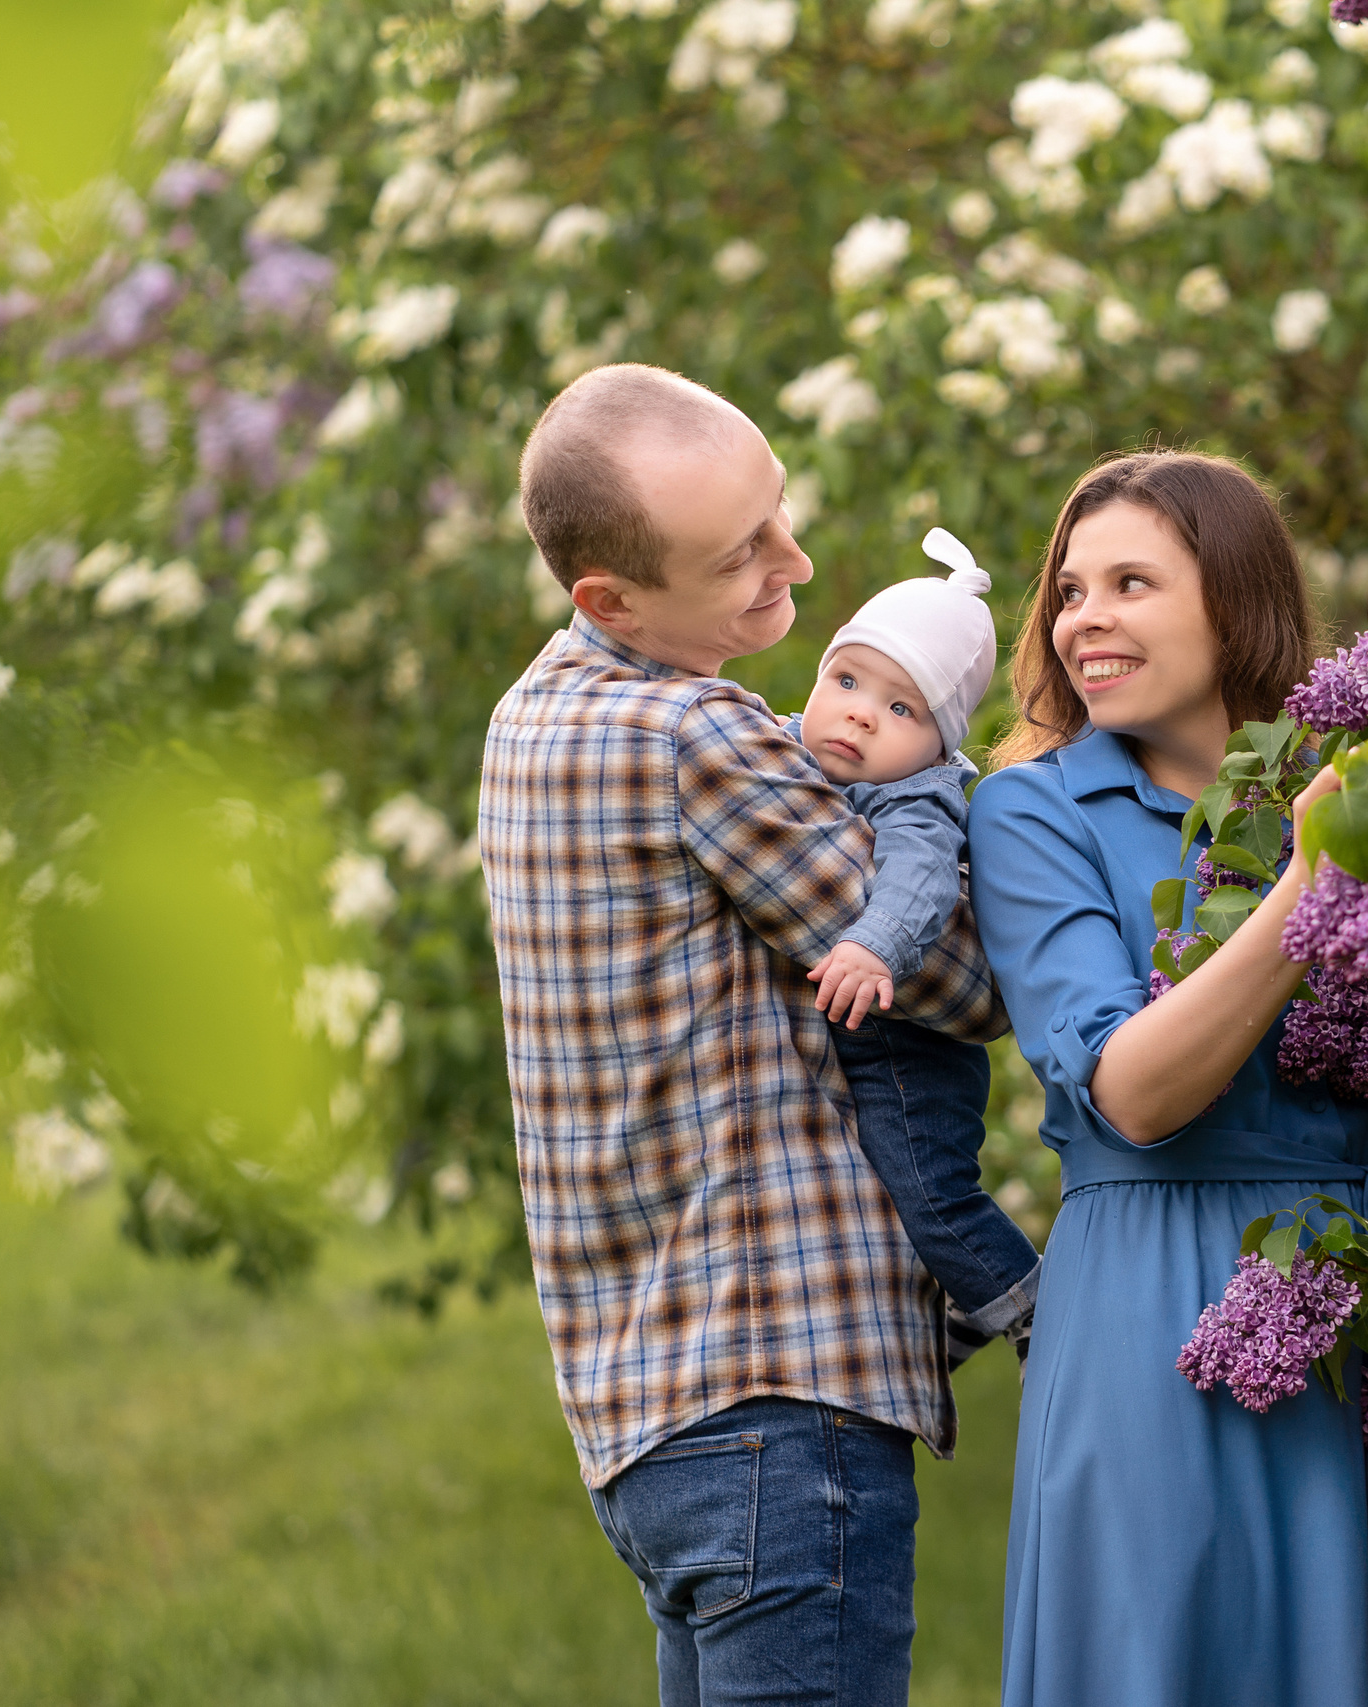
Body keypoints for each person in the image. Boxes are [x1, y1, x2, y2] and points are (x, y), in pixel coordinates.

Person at [476, 362, 1004, 1707]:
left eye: (778, 513)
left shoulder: (531, 717)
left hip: (643, 1411)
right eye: (741, 554)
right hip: (776, 1392)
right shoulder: (693, 731)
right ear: (612, 598)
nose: (797, 559)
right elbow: (960, 978)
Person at [968, 450, 1368, 1707]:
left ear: (1233, 599)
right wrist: (1311, 875)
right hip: (1155, 1309)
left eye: (1131, 582)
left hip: (1361, 1291)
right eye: (1070, 592)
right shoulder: (1036, 813)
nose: (1086, 618)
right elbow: (1131, 1091)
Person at [788, 526, 1041, 1364]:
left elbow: (921, 884)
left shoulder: (917, 800)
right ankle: (969, 1308)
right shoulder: (785, 746)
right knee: (878, 1195)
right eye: (847, 679)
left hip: (913, 1050)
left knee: (932, 1193)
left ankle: (1032, 1304)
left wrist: (875, 946)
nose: (860, 711)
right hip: (858, 1041)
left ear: (942, 744)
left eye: (901, 708)